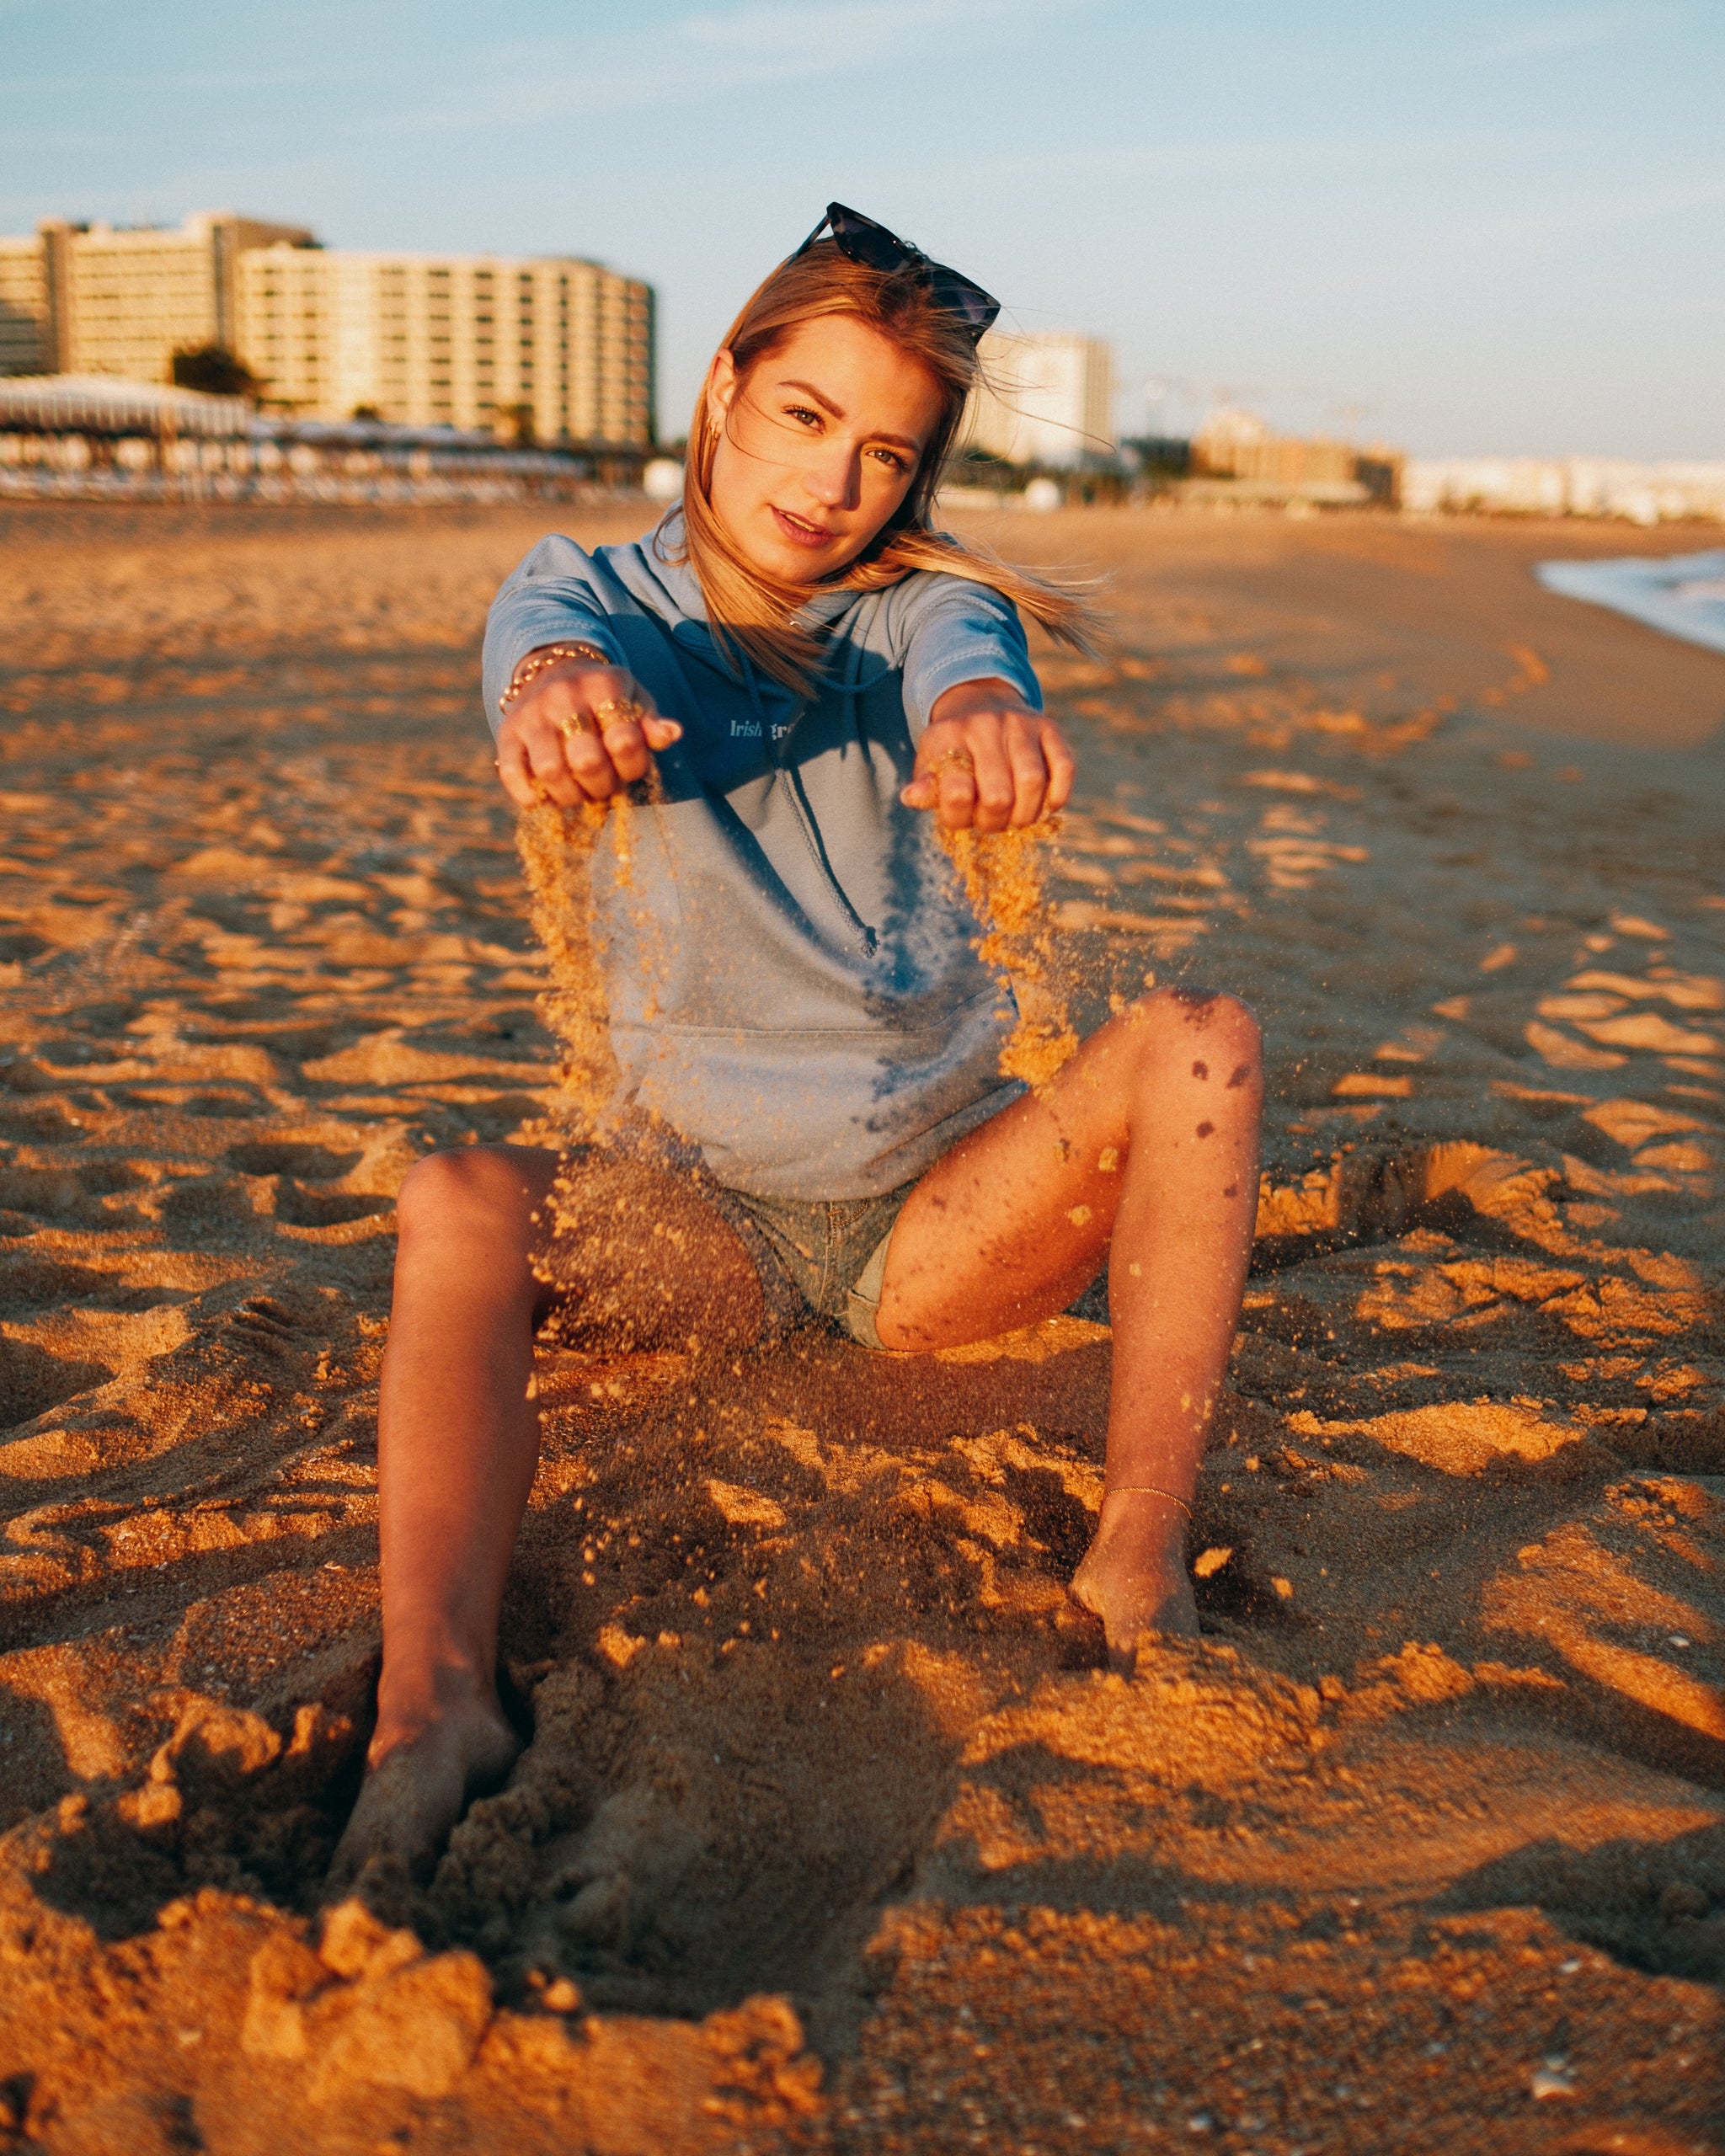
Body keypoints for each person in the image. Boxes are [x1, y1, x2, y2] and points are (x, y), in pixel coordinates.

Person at [330, 205, 1262, 1886]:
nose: (835, 486)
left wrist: (981, 719)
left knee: (1200, 1038)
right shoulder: (589, 595)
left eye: (885, 456)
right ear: (722, 390)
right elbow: (539, 654)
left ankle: (1136, 1551)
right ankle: (435, 1695)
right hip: (697, 1225)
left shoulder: (915, 610)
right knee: (457, 1190)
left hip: (932, 1227)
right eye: (805, 419)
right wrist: (553, 697)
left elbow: (969, 663)